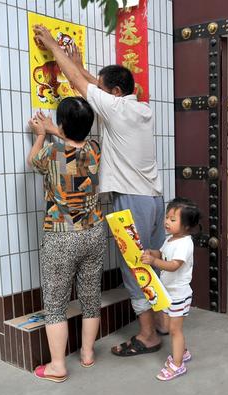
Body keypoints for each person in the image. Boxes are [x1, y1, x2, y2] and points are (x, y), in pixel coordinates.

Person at [33, 25, 166, 357]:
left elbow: (81, 85)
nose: (98, 93)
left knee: (134, 268)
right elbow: (93, 85)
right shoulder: (140, 109)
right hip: (154, 199)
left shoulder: (117, 110)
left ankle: (148, 336)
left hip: (131, 201)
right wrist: (82, 67)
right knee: (150, 263)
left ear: (115, 94)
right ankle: (163, 322)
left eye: (105, 91)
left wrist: (52, 45)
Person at [27, 97, 106, 383]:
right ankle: (87, 353)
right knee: (90, 296)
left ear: (61, 124)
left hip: (61, 237)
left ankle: (57, 366)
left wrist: (41, 134)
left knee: (56, 303)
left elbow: (31, 161)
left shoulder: (50, 151)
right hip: (95, 232)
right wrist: (56, 129)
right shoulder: (95, 149)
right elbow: (76, 141)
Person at [141, 198, 200, 381]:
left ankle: (177, 365)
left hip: (179, 294)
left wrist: (154, 262)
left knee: (175, 330)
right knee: (171, 326)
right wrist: (152, 253)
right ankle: (183, 352)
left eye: (173, 219)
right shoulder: (171, 239)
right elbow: (163, 254)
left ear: (187, 226)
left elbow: (174, 265)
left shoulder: (185, 244)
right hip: (169, 292)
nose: (167, 221)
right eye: (167, 217)